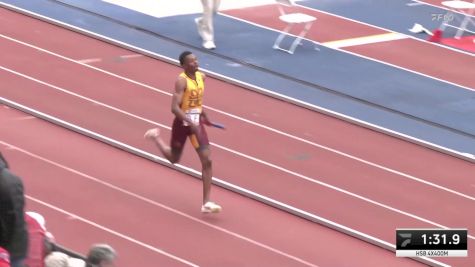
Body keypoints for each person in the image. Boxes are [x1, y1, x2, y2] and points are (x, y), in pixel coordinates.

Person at [145, 51, 222, 214]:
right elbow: (174, 108)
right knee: (174, 159)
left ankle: (206, 202)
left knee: (207, 160)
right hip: (182, 124)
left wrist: (202, 112)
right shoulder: (181, 81)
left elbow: (195, 100)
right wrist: (189, 121)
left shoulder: (202, 77)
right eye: (191, 62)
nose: (195, 63)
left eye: (196, 60)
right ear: (183, 65)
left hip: (196, 123)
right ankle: (156, 137)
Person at [0, 152, 28, 267]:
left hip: (9, 249)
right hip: (17, 246)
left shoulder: (5, 185)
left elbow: (8, 223)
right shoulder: (12, 180)